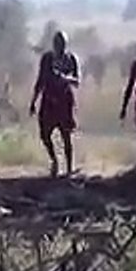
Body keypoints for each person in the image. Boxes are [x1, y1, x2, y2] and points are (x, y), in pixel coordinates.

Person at [30, 30, 81, 177]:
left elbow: (77, 81)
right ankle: (54, 161)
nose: (60, 47)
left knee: (66, 135)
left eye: (62, 44)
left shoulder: (71, 59)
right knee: (44, 134)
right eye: (57, 44)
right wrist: (33, 101)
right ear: (53, 45)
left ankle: (69, 168)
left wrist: (65, 78)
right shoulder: (47, 59)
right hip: (48, 101)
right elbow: (40, 80)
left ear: (66, 45)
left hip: (64, 101)